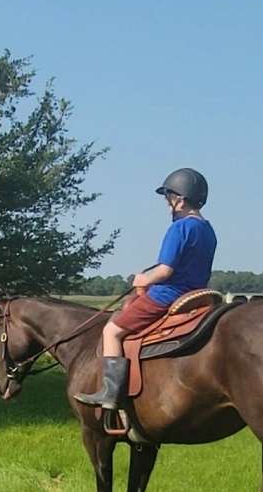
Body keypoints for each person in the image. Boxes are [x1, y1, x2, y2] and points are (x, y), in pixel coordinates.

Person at [75, 167, 217, 409]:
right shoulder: (208, 230)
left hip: (168, 295)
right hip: (197, 295)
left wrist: (143, 279)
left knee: (111, 331)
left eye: (169, 199)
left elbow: (165, 271)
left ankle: (110, 393)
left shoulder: (180, 228)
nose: (167, 205)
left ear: (180, 200)